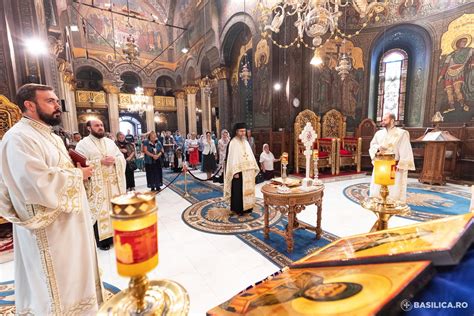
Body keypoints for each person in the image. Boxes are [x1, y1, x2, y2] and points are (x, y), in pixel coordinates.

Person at [0, 84, 103, 314]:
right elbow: (34, 183)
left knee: (75, 277)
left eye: (57, 101)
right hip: (49, 229)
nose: (58, 106)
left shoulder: (51, 136)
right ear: (29, 105)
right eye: (50, 101)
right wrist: (79, 175)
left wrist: (79, 171)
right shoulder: (18, 138)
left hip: (69, 224)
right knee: (56, 287)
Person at [76, 119, 126, 250]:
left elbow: (121, 157)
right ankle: (102, 241)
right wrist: (100, 162)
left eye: (101, 125)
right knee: (99, 211)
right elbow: (79, 164)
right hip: (97, 187)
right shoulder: (83, 144)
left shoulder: (110, 142)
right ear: (89, 128)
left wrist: (115, 160)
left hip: (114, 184)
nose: (100, 127)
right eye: (97, 125)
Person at [369, 112, 415, 203]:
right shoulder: (379, 133)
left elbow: (405, 149)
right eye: (382, 120)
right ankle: (377, 199)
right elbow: (372, 145)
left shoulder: (401, 133)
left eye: (385, 120)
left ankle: (392, 201)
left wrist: (401, 164)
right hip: (380, 164)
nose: (382, 122)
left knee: (393, 187)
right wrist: (378, 148)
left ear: (392, 120)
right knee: (378, 185)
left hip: (393, 165)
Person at [224, 123, 260, 215]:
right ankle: (238, 209)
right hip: (238, 172)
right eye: (241, 131)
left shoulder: (246, 142)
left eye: (244, 131)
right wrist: (234, 172)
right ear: (236, 131)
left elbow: (250, 156)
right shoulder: (233, 143)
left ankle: (248, 207)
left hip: (248, 171)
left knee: (248, 190)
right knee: (238, 191)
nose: (243, 133)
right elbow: (232, 158)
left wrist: (253, 167)